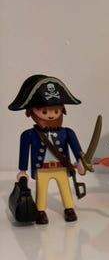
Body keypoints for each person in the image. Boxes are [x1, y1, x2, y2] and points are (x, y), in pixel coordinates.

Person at [8, 74, 86, 224]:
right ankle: (40, 211)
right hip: (42, 169)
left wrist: (80, 161)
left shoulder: (67, 132)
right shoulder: (29, 135)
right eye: (44, 112)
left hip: (61, 167)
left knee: (65, 189)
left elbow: (77, 149)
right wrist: (22, 170)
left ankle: (69, 208)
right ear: (32, 111)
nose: (51, 115)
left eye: (56, 111)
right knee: (41, 191)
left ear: (62, 111)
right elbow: (24, 153)